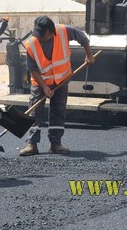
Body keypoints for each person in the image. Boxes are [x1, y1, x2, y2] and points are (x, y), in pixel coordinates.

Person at [19, 16, 95, 156]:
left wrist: (89, 55)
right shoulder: (31, 44)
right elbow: (33, 69)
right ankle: (31, 144)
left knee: (58, 111)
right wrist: (44, 87)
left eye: (42, 35)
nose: (39, 38)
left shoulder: (64, 31)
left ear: (49, 31)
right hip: (40, 82)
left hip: (61, 80)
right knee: (35, 111)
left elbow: (83, 38)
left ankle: (55, 143)